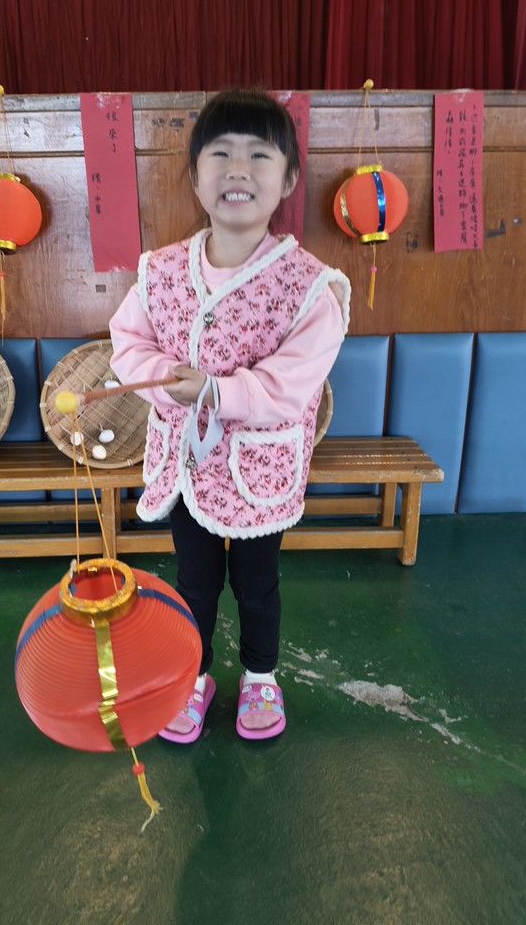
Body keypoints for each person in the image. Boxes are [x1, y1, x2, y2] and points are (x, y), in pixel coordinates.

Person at [109, 87, 350, 742]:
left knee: (256, 583)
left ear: (288, 179)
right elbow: (128, 343)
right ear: (195, 176)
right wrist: (165, 386)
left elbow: (293, 384)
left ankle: (261, 677)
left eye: (258, 155)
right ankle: (191, 677)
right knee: (192, 582)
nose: (237, 169)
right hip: (184, 467)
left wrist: (217, 392)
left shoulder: (310, 286)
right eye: (219, 154)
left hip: (257, 472)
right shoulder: (160, 271)